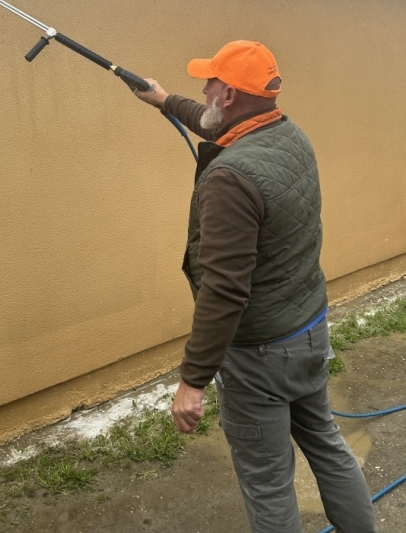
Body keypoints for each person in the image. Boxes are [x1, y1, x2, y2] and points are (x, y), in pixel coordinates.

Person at [134, 40, 377, 533]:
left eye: (210, 83)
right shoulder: (289, 135)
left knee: (268, 482)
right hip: (307, 329)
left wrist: (192, 381)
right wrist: (164, 100)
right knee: (327, 444)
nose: (202, 88)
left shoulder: (229, 177)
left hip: (260, 354)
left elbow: (225, 290)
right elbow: (211, 121)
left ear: (228, 96)